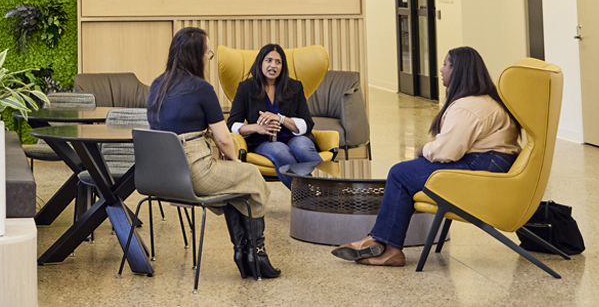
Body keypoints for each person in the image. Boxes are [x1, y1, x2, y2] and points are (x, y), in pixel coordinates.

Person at [333, 46, 520, 267]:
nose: (441, 70)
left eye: (445, 64)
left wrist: (423, 150)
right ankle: (381, 243)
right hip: (491, 161)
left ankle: (383, 243)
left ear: (457, 70)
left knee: (400, 174)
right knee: (407, 173)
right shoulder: (482, 100)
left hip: (484, 165)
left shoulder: (469, 107)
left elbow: (447, 151)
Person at [147, 27, 281, 280]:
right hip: (194, 173)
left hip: (161, 176)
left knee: (237, 190)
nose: (208, 58)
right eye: (208, 53)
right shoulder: (201, 88)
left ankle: (244, 253)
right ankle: (255, 254)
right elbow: (223, 138)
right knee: (250, 176)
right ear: (196, 56)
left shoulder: (157, 84)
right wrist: (233, 161)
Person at [228, 43, 322, 187]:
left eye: (278, 62)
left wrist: (281, 118)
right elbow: (232, 124)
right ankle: (311, 198)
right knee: (280, 151)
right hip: (262, 141)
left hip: (293, 137)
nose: (274, 65)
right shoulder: (246, 88)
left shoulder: (295, 87)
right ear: (260, 62)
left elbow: (307, 123)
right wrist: (256, 128)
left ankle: (331, 189)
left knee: (303, 148)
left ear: (283, 67)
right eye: (269, 60)